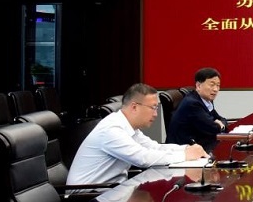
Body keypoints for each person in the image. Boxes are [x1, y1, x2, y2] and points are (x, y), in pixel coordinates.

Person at [68, 83, 206, 186]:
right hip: (88, 196)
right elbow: (143, 158)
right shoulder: (111, 129)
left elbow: (154, 147)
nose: (156, 114)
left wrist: (186, 149)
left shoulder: (129, 127)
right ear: (134, 107)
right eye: (153, 108)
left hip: (112, 189)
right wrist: (184, 155)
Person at [167, 67, 230, 150]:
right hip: (185, 149)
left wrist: (220, 124)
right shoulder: (192, 104)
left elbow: (220, 119)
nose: (215, 89)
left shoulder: (206, 100)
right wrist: (220, 125)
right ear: (198, 85)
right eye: (212, 85)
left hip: (200, 142)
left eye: (218, 85)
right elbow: (213, 129)